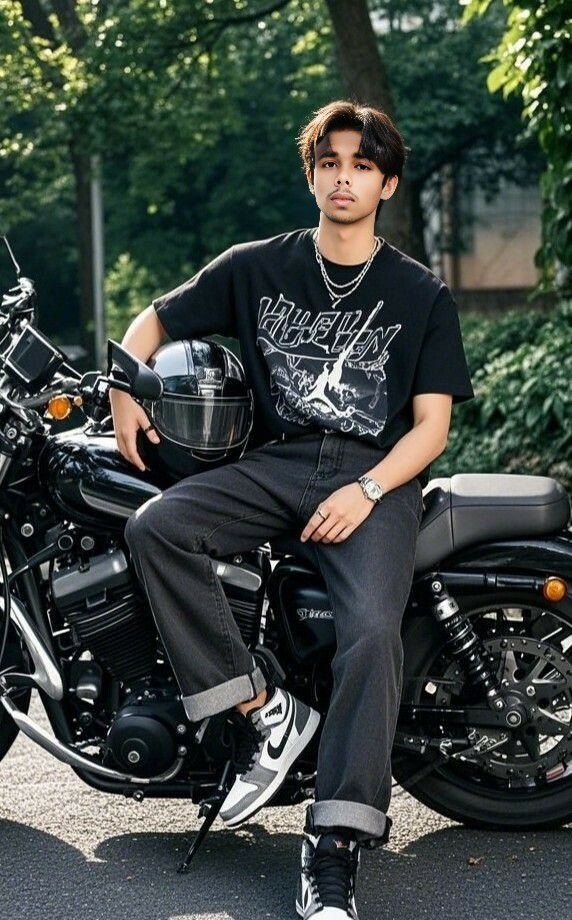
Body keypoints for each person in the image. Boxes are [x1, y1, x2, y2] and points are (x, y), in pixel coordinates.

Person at [112, 99, 474, 919]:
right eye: (330, 163)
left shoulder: (419, 292)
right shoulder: (256, 266)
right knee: (157, 527)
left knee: (372, 632)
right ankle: (264, 710)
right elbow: (154, 319)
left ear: (386, 184)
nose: (344, 178)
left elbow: (432, 427)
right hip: (274, 463)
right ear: (311, 176)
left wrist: (369, 490)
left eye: (362, 166)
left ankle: (334, 845)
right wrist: (122, 388)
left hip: (375, 474)